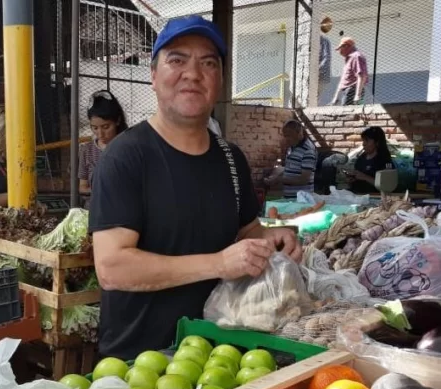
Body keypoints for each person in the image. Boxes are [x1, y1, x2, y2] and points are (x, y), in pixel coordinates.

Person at [88, 15, 302, 360]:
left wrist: (272, 239)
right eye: (177, 60)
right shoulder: (126, 156)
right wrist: (218, 263)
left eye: (208, 63)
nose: (193, 73)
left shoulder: (230, 158)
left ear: (219, 81)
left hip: (225, 355)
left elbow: (247, 230)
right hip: (141, 362)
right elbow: (113, 268)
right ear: (154, 77)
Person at [78, 90, 128, 197]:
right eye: (94, 128)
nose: (100, 134)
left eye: (106, 127)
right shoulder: (86, 150)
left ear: (118, 121)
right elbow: (82, 187)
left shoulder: (127, 148)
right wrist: (99, 192)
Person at [266, 120, 317, 199]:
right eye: (285, 136)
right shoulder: (292, 147)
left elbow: (304, 180)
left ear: (299, 134)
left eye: (289, 136)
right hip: (291, 198)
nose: (286, 139)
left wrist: (280, 180)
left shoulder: (308, 151)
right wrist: (276, 177)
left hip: (302, 200)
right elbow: (290, 169)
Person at [346, 126, 395, 194]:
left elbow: (387, 186)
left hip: (375, 198)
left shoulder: (385, 161)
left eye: (367, 140)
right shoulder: (361, 158)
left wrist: (365, 177)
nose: (363, 144)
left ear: (377, 142)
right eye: (363, 140)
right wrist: (351, 179)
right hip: (357, 197)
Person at [331, 37, 368, 106]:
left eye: (340, 49)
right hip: (347, 90)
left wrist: (357, 95)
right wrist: (336, 96)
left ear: (346, 46)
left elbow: (361, 76)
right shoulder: (349, 58)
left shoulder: (356, 56)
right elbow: (344, 79)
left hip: (353, 90)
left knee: (347, 114)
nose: (339, 52)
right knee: (346, 112)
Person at [318, 17, 333, 104]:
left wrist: (317, 71)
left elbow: (326, 58)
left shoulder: (323, 40)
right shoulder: (323, 40)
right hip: (322, 75)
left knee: (314, 98)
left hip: (320, 76)